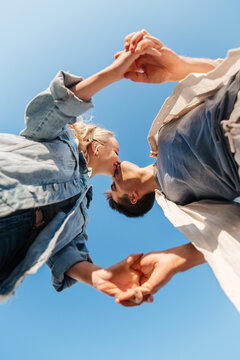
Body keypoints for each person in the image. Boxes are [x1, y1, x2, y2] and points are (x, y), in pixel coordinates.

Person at [0, 47, 155, 305]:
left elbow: (66, 255)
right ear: (97, 143)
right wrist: (115, 73)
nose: (119, 158)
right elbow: (55, 107)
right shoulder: (61, 138)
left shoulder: (80, 212)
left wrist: (102, 277)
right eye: (117, 150)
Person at [106, 30, 240, 311]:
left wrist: (179, 67)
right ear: (133, 197)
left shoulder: (160, 135)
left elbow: (217, 81)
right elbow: (225, 229)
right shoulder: (178, 201)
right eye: (114, 188)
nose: (112, 177)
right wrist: (178, 259)